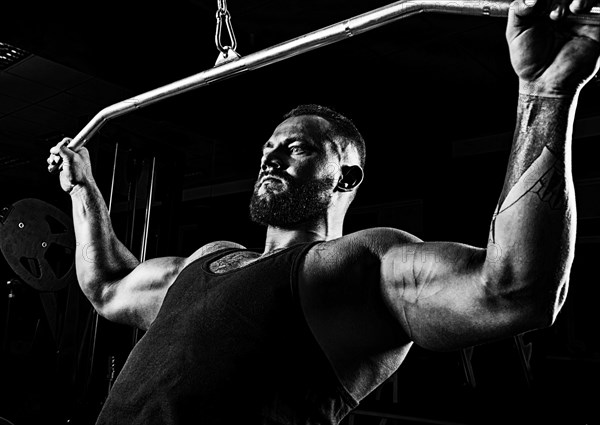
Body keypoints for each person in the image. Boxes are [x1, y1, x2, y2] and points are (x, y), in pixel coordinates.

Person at [47, 0, 600, 423]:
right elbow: (108, 286)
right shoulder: (208, 260)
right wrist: (81, 186)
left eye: (299, 148)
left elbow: (514, 291)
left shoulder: (358, 265)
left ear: (348, 177)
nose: (272, 158)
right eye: (267, 150)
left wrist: (544, 93)